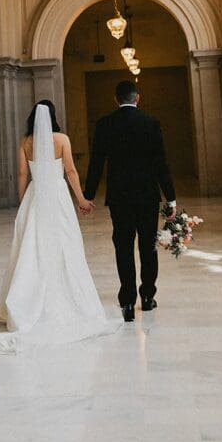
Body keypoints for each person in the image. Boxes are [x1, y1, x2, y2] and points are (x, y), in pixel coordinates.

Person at [0, 100, 121, 353]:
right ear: (54, 116)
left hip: (36, 197)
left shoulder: (26, 142)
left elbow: (23, 174)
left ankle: (27, 297)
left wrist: (20, 199)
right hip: (57, 197)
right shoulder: (62, 139)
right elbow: (70, 171)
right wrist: (82, 200)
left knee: (31, 248)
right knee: (64, 244)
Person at [84, 80, 176, 322]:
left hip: (119, 196)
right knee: (148, 246)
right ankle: (147, 296)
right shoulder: (151, 123)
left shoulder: (105, 125)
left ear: (116, 99)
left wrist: (88, 195)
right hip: (147, 195)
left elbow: (96, 163)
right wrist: (171, 199)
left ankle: (127, 300)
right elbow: (161, 164)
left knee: (123, 246)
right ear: (138, 98)